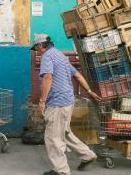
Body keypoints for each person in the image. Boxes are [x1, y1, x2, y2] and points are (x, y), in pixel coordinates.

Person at [31, 33, 101, 175]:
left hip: (57, 103)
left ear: (40, 46)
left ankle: (61, 171)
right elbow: (77, 75)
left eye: (36, 48)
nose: (36, 51)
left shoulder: (47, 56)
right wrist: (89, 91)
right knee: (64, 132)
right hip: (68, 101)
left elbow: (48, 78)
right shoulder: (60, 55)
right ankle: (87, 155)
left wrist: (42, 103)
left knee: (53, 137)